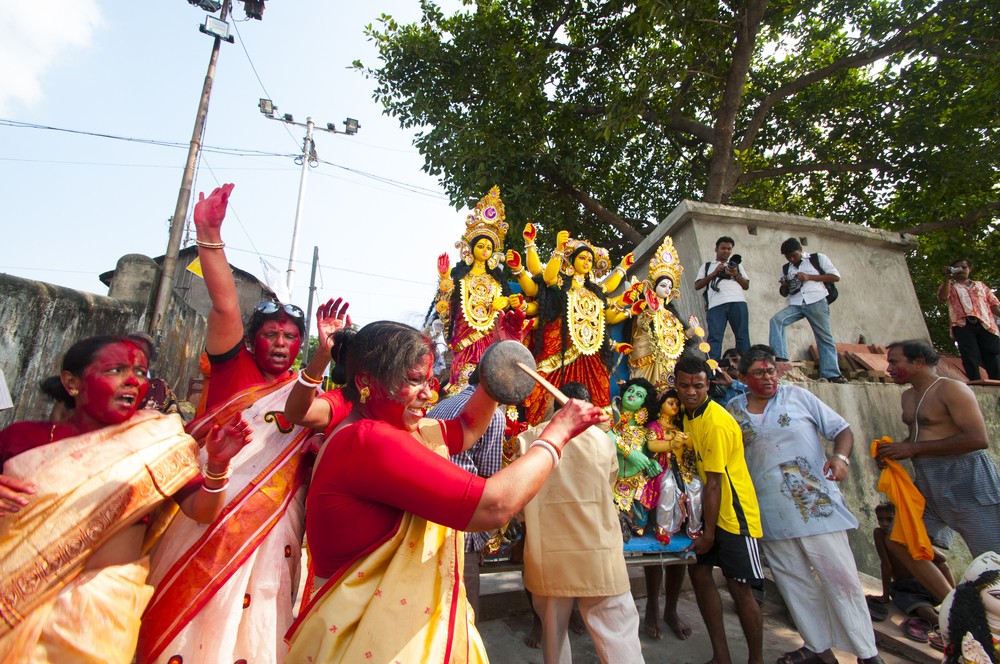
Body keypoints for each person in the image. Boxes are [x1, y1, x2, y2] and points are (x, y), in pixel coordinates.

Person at [285, 321, 608, 663]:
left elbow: (467, 426)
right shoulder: (369, 440)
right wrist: (556, 435)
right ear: (365, 382)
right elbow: (493, 507)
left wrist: (498, 365)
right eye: (413, 381)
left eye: (428, 381)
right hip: (363, 638)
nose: (428, 394)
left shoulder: (398, 428)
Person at [137, 184, 330, 664]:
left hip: (271, 533)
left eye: (290, 336)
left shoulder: (310, 393)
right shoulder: (232, 370)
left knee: (258, 625)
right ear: (251, 340)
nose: (281, 343)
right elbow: (224, 303)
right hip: (207, 518)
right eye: (270, 334)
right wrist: (208, 233)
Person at [0, 334, 250, 662]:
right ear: (72, 383)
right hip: (15, 601)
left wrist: (218, 466)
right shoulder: (21, 438)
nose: (132, 380)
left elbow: (201, 511)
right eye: (116, 370)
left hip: (102, 617)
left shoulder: (156, 442)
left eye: (141, 372)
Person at [727, 346, 886, 664]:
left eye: (771, 370)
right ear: (743, 378)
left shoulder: (797, 397)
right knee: (793, 582)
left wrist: (839, 458)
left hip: (814, 503)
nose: (769, 377)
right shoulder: (732, 409)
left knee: (840, 578)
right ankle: (818, 648)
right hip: (769, 509)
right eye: (759, 372)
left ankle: (867, 653)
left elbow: (841, 429)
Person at [516, 381, 645, 664]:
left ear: (555, 407)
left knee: (554, 636)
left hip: (548, 554)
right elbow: (609, 486)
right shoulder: (603, 441)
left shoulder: (529, 440)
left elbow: (519, 500)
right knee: (618, 636)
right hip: (598, 552)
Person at [674, 354, 764, 664]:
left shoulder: (716, 422)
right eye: (684, 385)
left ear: (708, 385)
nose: (690, 392)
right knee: (699, 575)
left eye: (698, 386)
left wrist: (709, 533)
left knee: (741, 589)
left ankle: (756, 660)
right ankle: (721, 656)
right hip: (708, 512)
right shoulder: (687, 416)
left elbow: (714, 483)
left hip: (733, 515)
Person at [876, 340, 1000, 562]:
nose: (889, 369)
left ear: (919, 362)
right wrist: (893, 452)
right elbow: (920, 437)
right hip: (928, 480)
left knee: (991, 557)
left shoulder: (952, 389)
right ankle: (946, 594)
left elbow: (978, 439)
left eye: (895, 362)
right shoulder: (907, 396)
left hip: (966, 477)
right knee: (899, 542)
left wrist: (911, 448)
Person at [523, 231, 635, 423]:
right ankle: (543, 425)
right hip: (559, 345)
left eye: (590, 259)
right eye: (582, 257)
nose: (586, 262)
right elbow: (547, 278)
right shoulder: (560, 283)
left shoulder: (595, 291)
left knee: (596, 388)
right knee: (542, 383)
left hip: (590, 351)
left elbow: (608, 294)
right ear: (572, 260)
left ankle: (594, 429)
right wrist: (558, 249)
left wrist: (623, 268)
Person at [426, 366, 506, 622]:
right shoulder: (492, 414)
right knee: (463, 611)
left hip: (428, 513)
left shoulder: (441, 405)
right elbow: (489, 477)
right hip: (462, 519)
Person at [431, 186, 513, 394]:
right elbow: (444, 306)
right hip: (465, 338)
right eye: (481, 246)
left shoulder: (496, 281)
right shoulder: (462, 277)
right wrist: (444, 278)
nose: (485, 251)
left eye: (489, 248)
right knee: (463, 383)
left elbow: (511, 301)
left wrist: (505, 302)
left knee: (491, 382)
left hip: (490, 338)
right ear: (471, 249)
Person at [642, 390, 696, 641]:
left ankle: (670, 609)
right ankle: (653, 606)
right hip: (661, 471)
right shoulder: (655, 425)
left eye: (677, 403)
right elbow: (652, 444)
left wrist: (685, 441)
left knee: (695, 489)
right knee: (665, 488)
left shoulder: (683, 423)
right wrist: (673, 443)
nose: (674, 406)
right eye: (670, 402)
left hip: (682, 471)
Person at [867, 502, 951, 649]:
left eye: (889, 519)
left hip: (927, 586)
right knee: (927, 614)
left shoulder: (908, 533)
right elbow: (886, 566)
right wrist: (885, 596)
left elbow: (942, 559)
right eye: (881, 519)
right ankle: (949, 629)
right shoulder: (879, 534)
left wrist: (913, 543)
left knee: (942, 566)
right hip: (905, 588)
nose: (884, 524)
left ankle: (953, 601)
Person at [768, 238, 846, 383]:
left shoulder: (816, 259)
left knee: (824, 336)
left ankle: (831, 373)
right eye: (788, 257)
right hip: (796, 303)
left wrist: (809, 277)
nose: (791, 259)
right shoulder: (786, 268)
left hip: (816, 301)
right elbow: (784, 293)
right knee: (777, 320)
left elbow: (835, 277)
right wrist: (785, 284)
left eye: (794, 255)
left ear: (800, 251)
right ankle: (780, 358)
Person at [627, 235, 697, 393]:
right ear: (654, 286)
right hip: (650, 357)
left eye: (669, 286)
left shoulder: (670, 313)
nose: (666, 289)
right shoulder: (645, 306)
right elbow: (639, 326)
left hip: (670, 360)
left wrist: (690, 332)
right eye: (663, 285)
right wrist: (650, 312)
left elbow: (676, 339)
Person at [937, 258, 1000, 381]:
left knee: (993, 354)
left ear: (969, 269)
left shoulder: (981, 285)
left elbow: (994, 304)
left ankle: (997, 383)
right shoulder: (950, 286)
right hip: (962, 325)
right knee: (970, 355)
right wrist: (948, 277)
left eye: (964, 267)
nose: (961, 271)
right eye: (957, 268)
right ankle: (976, 383)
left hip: (985, 323)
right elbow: (943, 298)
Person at [695, 236, 750, 361]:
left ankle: (745, 369)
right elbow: (697, 285)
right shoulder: (707, 266)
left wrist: (735, 274)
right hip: (715, 305)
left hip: (738, 302)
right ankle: (712, 372)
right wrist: (714, 273)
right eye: (723, 248)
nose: (726, 251)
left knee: (742, 336)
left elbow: (746, 285)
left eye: (729, 249)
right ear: (716, 249)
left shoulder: (737, 266)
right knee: (714, 338)